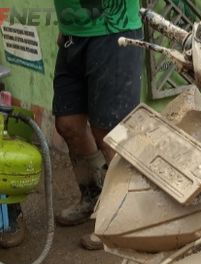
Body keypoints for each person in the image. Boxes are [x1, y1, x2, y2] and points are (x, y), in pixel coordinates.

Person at [52, 0, 143, 249]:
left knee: (109, 131)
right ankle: (94, 195)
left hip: (113, 33)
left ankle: (123, 219)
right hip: (74, 34)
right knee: (68, 124)